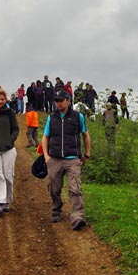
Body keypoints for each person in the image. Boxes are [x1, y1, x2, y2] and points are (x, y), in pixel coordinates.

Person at [41, 89, 92, 230]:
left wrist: (87, 154)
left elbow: (85, 135)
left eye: (61, 100)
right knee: (53, 188)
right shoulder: (52, 117)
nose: (58, 103)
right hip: (54, 159)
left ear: (68, 101)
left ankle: (77, 217)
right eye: (56, 101)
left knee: (75, 188)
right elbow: (45, 137)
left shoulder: (78, 117)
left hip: (72, 159)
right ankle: (56, 209)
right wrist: (46, 156)